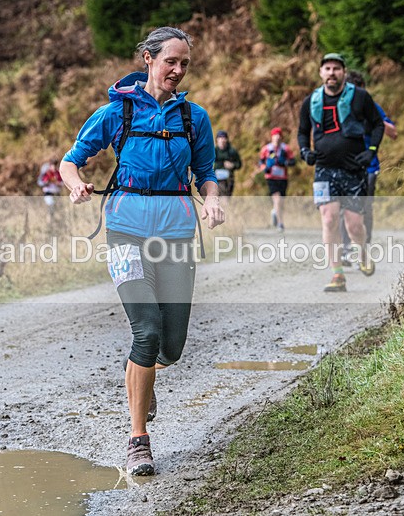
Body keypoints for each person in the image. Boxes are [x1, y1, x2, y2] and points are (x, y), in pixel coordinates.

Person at [59, 26, 224, 476]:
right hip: (126, 232)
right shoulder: (117, 113)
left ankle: (144, 374)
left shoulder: (194, 118)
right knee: (146, 331)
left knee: (171, 346)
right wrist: (76, 185)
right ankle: (138, 439)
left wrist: (211, 198)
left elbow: (206, 172)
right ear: (148, 59)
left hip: (175, 235)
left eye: (185, 63)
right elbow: (70, 161)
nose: (178, 70)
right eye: (171, 60)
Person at [297, 53, 385, 292]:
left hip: (353, 169)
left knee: (354, 225)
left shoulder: (360, 97)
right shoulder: (311, 101)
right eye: (327, 68)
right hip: (324, 170)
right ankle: (337, 275)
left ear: (344, 73)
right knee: (328, 218)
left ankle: (363, 253)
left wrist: (372, 151)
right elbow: (303, 132)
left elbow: (377, 123)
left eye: (336, 68)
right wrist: (305, 151)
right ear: (321, 73)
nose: (332, 73)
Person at [339, 70, 397, 267]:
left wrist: (372, 118)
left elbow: (393, 132)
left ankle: (363, 247)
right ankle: (347, 249)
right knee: (344, 207)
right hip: (344, 165)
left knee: (363, 208)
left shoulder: (371, 106)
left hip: (369, 166)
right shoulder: (336, 105)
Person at [258, 127, 295, 232]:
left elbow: (293, 161)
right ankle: (280, 223)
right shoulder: (266, 149)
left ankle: (275, 212)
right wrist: (264, 168)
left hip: (283, 177)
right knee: (277, 198)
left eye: (279, 136)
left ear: (281, 137)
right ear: (272, 137)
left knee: (281, 201)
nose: (277, 138)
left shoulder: (285, 148)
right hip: (271, 177)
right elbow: (261, 162)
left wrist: (285, 163)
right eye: (275, 136)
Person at [213, 130, 242, 203]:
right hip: (216, 180)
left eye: (224, 138)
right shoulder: (214, 151)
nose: (222, 140)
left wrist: (232, 165)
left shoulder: (232, 151)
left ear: (227, 139)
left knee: (226, 199)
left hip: (228, 180)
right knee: (219, 200)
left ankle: (226, 212)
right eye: (220, 138)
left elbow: (239, 164)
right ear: (217, 140)